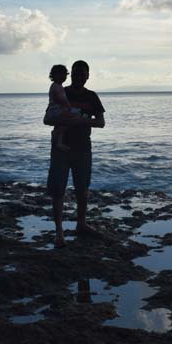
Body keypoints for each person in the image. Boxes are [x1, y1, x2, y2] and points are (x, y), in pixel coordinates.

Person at [47, 60, 105, 248]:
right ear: (70, 74)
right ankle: (59, 232)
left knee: (82, 188)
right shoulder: (62, 91)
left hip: (82, 148)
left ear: (88, 75)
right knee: (58, 190)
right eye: (76, 73)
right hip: (60, 149)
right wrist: (76, 120)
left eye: (83, 74)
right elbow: (48, 117)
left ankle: (81, 223)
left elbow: (101, 122)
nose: (79, 77)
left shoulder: (92, 96)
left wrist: (79, 121)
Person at [47, 64, 81, 152]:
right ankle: (57, 133)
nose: (62, 77)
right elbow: (61, 99)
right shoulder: (55, 86)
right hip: (56, 110)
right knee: (73, 116)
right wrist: (68, 106)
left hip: (57, 110)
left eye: (64, 75)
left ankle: (59, 141)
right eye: (60, 74)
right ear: (53, 75)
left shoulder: (59, 86)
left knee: (63, 123)